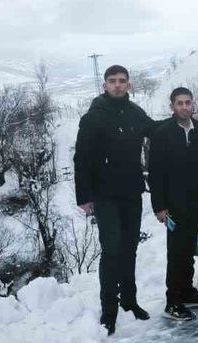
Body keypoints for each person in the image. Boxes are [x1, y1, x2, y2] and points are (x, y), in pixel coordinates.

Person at [73, 65, 155, 335]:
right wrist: (84, 196)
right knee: (111, 249)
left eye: (122, 81)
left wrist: (186, 120)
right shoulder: (94, 116)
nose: (117, 85)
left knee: (130, 248)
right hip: (104, 194)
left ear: (128, 85)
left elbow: (156, 130)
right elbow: (81, 158)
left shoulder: (134, 112)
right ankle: (109, 310)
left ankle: (129, 301)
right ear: (105, 85)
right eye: (112, 81)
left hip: (131, 191)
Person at [148, 87, 198, 321]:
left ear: (193, 104)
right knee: (176, 252)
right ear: (172, 107)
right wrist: (159, 206)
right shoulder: (162, 133)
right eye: (180, 103)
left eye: (188, 102)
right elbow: (155, 173)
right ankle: (172, 301)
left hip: (194, 200)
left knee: (188, 249)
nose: (185, 107)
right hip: (173, 203)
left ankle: (186, 291)